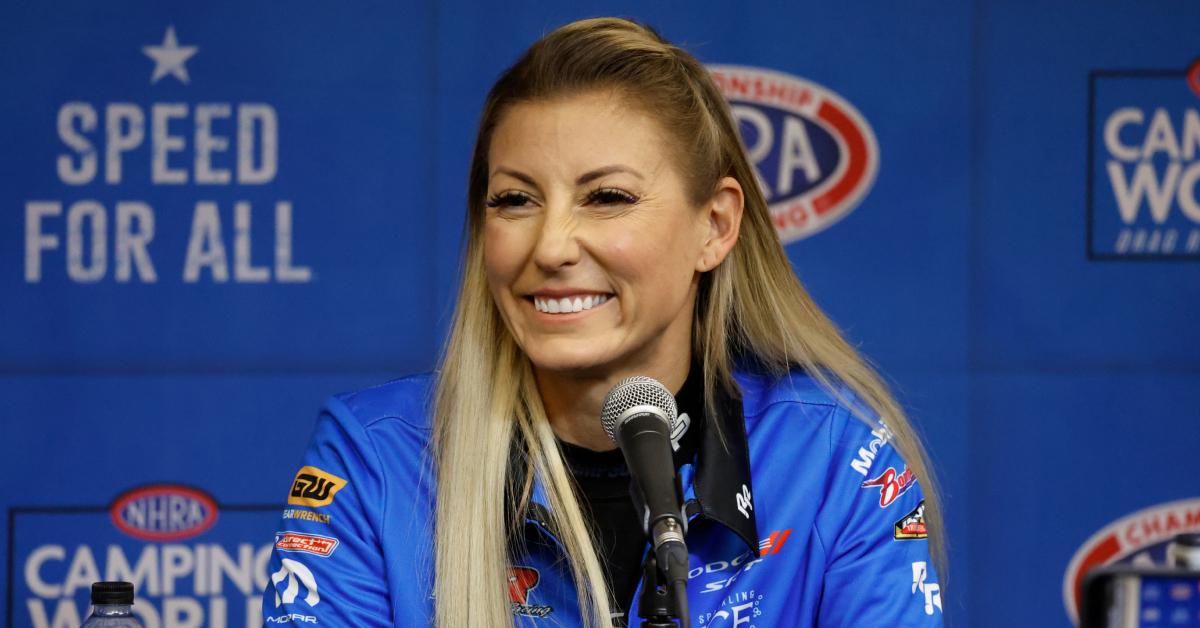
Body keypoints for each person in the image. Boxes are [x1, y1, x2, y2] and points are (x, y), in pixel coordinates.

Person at [261, 17, 944, 628]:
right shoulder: (375, 460)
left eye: (607, 197)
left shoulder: (831, 457)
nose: (552, 246)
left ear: (715, 225)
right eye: (515, 199)